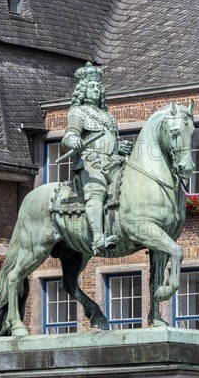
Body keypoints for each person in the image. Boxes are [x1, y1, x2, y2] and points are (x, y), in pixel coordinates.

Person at [61, 62, 132, 255]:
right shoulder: (78, 112)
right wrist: (74, 140)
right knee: (97, 191)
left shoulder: (108, 116)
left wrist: (121, 148)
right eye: (91, 87)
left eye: (98, 87)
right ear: (82, 90)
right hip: (91, 162)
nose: (96, 90)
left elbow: (114, 143)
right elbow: (69, 135)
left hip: (113, 161)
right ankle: (98, 238)